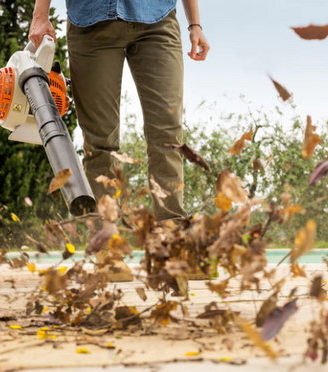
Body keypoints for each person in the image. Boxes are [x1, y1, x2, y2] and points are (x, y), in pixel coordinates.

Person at [29, 0, 210, 224]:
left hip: (157, 20)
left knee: (167, 134)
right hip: (90, 21)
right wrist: (40, 16)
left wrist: (195, 24)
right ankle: (107, 240)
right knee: (99, 141)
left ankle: (171, 234)